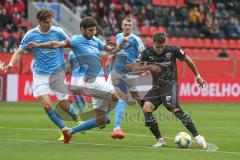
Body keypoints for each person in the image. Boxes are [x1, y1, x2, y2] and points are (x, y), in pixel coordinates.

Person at [27, 17, 128, 143]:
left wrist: (121, 46)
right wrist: (39, 45)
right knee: (116, 96)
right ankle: (114, 125)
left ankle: (69, 132)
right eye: (90, 30)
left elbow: (111, 50)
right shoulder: (76, 40)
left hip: (101, 80)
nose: (93, 33)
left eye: (94, 30)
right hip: (92, 81)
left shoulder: (95, 40)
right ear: (82, 29)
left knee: (103, 120)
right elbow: (56, 44)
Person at [3, 9, 77, 139]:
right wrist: (10, 64)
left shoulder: (58, 32)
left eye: (50, 21)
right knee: (47, 105)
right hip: (40, 75)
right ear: (40, 22)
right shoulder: (31, 34)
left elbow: (72, 44)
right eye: (47, 22)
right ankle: (64, 130)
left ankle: (79, 120)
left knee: (65, 105)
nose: (49, 24)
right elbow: (19, 51)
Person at [133, 32, 207, 149]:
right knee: (146, 108)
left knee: (174, 109)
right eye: (158, 47)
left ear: (165, 43)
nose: (160, 49)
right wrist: (148, 67)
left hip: (170, 84)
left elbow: (188, 60)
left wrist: (198, 76)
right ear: (153, 44)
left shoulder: (173, 50)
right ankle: (160, 140)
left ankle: (198, 137)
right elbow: (135, 69)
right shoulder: (146, 52)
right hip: (156, 86)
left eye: (162, 46)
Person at [107, 18, 145, 139]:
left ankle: (148, 116)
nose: (127, 26)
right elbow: (117, 50)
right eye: (125, 24)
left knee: (136, 97)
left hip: (130, 73)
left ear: (132, 26)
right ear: (122, 25)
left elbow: (143, 52)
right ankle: (116, 127)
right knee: (119, 97)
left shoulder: (136, 39)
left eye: (129, 25)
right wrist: (110, 57)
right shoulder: (118, 36)